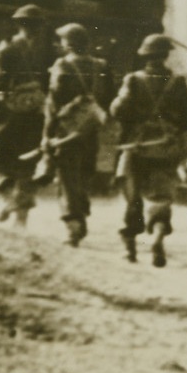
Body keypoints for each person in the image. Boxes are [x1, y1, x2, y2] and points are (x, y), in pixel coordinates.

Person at [110, 33, 187, 267]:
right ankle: (157, 238)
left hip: (136, 147)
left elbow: (117, 111)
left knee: (131, 197)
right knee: (161, 197)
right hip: (166, 148)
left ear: (145, 56)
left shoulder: (133, 80)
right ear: (167, 55)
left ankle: (130, 250)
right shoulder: (178, 83)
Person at [0, 4, 55, 226]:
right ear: (41, 27)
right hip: (38, 114)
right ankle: (21, 218)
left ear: (18, 25)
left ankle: (9, 197)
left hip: (10, 114)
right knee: (27, 165)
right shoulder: (50, 51)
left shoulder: (7, 49)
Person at [43, 23, 114, 247]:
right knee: (84, 172)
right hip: (90, 130)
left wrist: (47, 134)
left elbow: (53, 105)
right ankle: (81, 209)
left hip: (67, 130)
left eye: (62, 40)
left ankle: (73, 225)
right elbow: (110, 99)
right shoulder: (101, 66)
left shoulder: (61, 66)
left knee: (67, 176)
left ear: (68, 43)